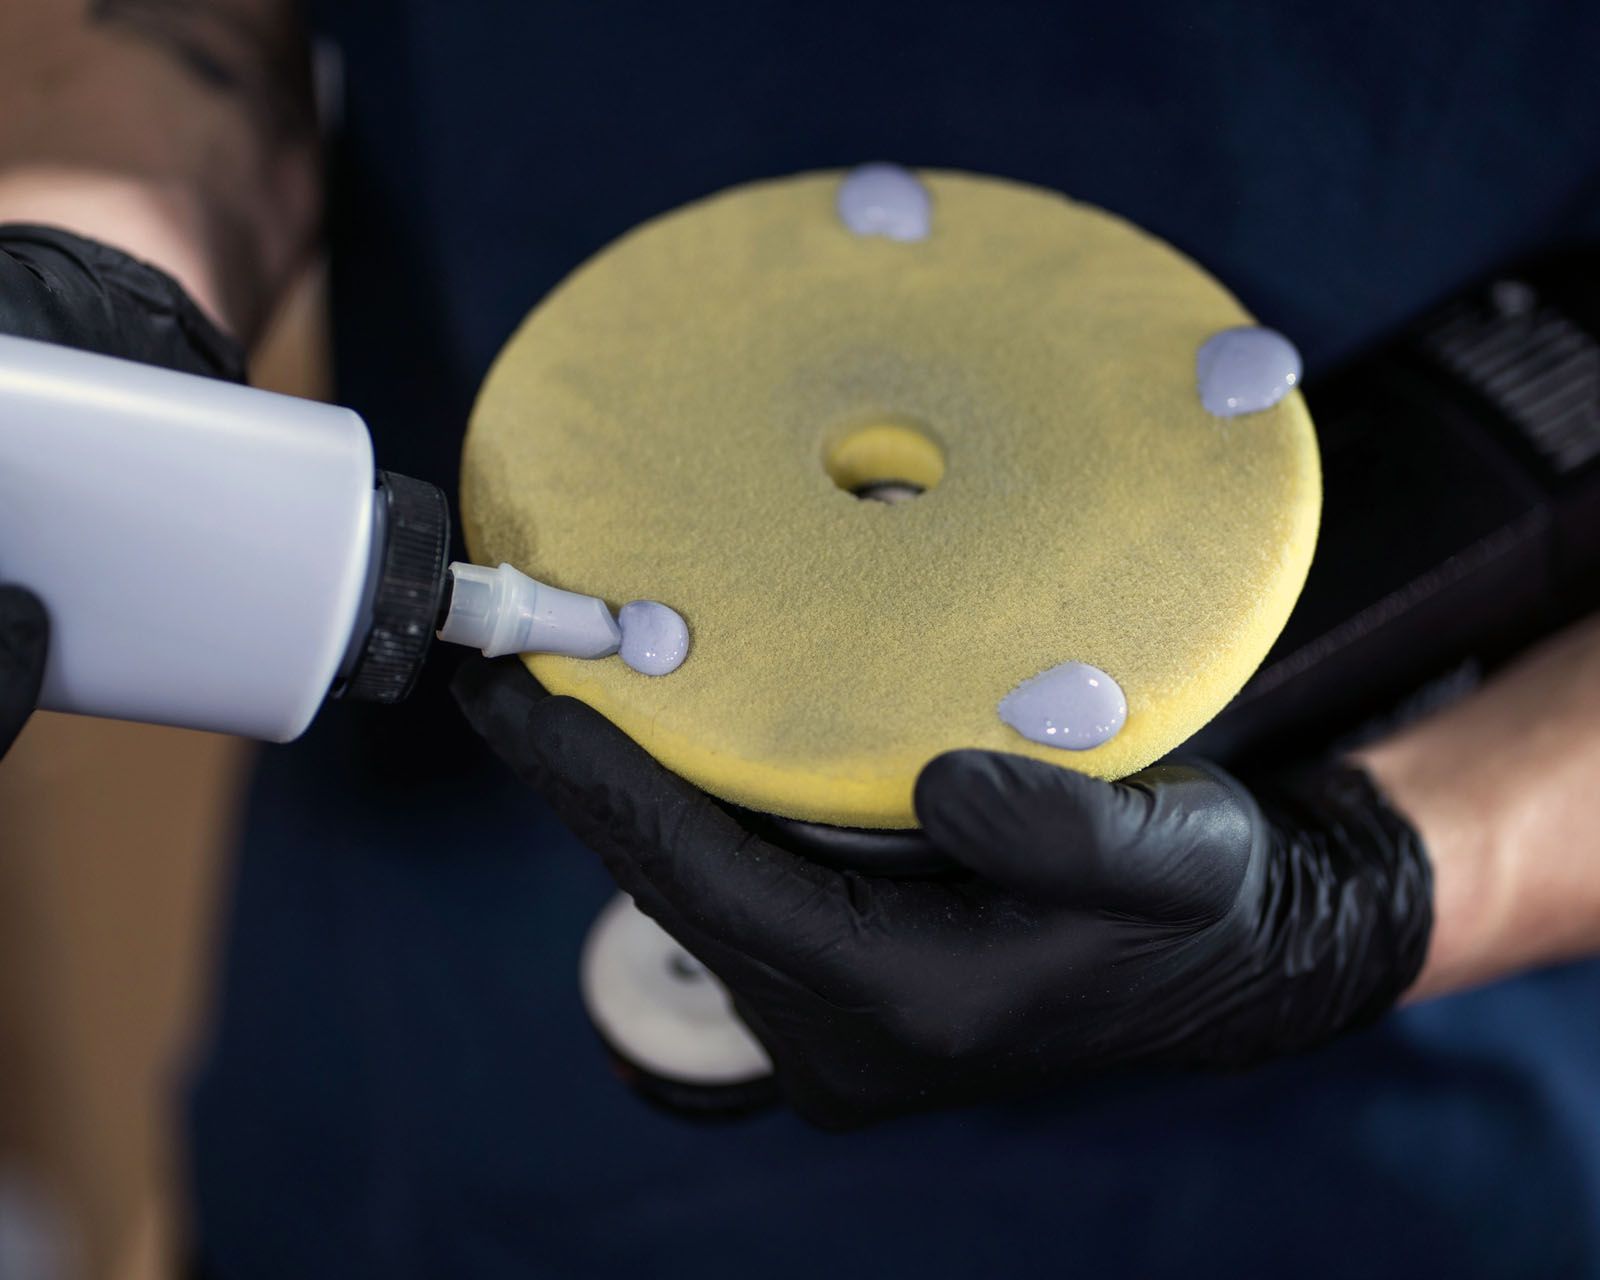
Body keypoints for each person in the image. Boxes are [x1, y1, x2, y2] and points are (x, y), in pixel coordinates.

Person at [4, 1, 1600, 1275]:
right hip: (418, 1075)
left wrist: (1385, 884)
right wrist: (81, 305)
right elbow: (198, 29)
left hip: (1347, 1162)